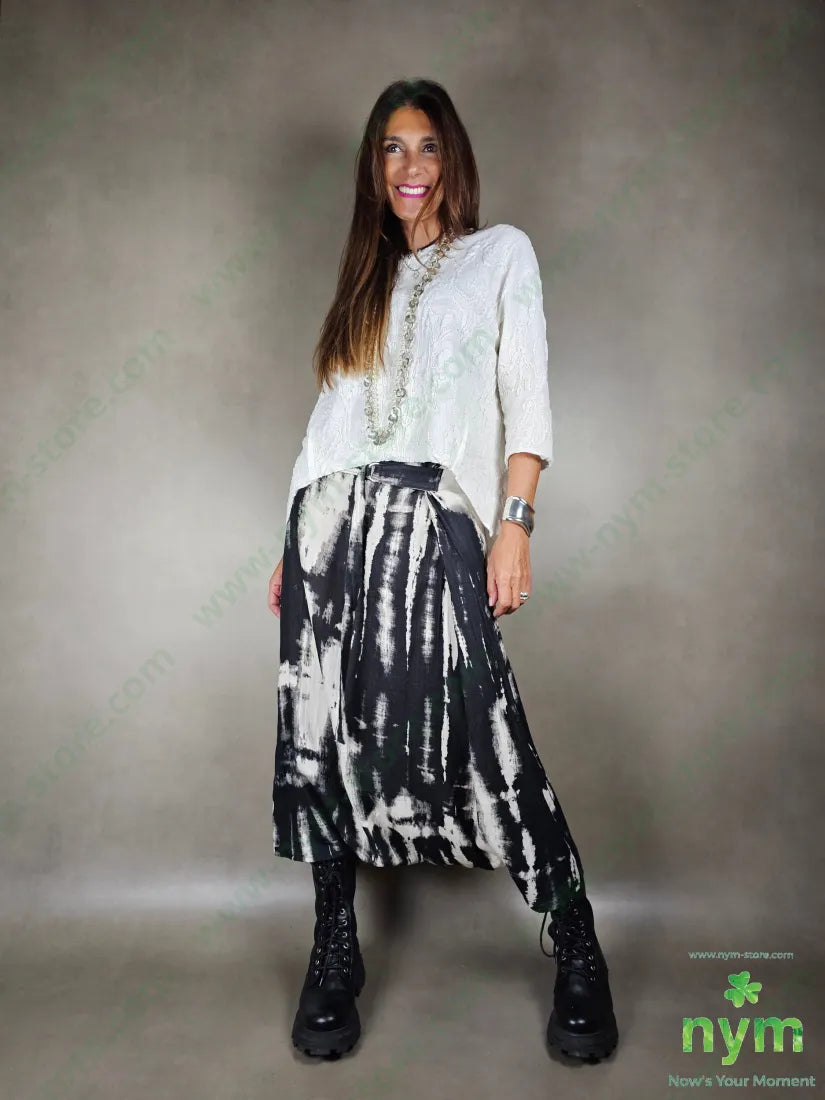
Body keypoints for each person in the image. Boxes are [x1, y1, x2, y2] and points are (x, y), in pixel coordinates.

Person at [267, 78, 618, 1065]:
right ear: (373, 169)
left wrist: (514, 525)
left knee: (489, 732)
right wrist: (289, 545)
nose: (409, 166)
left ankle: (574, 935)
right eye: (390, 148)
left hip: (436, 518)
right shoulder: (364, 284)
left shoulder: (501, 254)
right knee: (323, 737)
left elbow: (526, 396)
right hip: (330, 527)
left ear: (451, 157)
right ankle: (335, 944)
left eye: (425, 145)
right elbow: (328, 427)